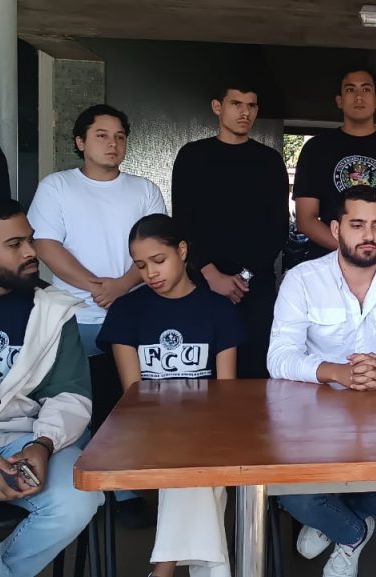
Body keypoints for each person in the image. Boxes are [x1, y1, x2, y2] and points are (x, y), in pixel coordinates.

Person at [267, 185, 376, 577]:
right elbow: (279, 357)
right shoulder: (302, 279)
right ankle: (352, 531)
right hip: (313, 424)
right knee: (291, 493)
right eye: (357, 225)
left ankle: (333, 519)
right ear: (335, 228)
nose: (368, 235)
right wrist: (336, 372)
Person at [27, 103, 164, 527]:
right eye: (102, 135)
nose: (112, 143)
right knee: (75, 403)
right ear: (80, 141)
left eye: (120, 136)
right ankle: (76, 488)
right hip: (73, 317)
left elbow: (157, 248)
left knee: (126, 405)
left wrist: (122, 285)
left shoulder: (144, 190)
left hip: (133, 316)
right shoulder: (57, 187)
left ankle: (124, 491)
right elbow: (46, 244)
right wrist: (95, 286)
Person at [97, 214, 244, 577]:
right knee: (199, 473)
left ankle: (163, 570)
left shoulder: (218, 309)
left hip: (207, 430)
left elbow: (226, 395)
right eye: (140, 266)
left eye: (158, 260)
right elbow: (133, 396)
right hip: (147, 430)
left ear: (182, 251)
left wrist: (199, 426)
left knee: (198, 463)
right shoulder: (127, 310)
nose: (150, 273)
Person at [0, 197, 102, 577]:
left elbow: (70, 392)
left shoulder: (53, 309)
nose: (31, 252)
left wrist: (42, 445)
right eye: (15, 244)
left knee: (79, 498)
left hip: (25, 439)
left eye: (30, 239)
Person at [171, 83, 289, 379]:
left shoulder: (269, 161)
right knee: (201, 372)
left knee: (254, 374)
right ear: (217, 107)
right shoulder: (192, 156)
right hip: (201, 283)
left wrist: (243, 278)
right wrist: (211, 274)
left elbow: (277, 228)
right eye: (236, 104)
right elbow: (183, 223)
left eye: (251, 105)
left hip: (254, 287)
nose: (244, 112)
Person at [291, 67, 376, 265]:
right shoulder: (316, 149)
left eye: (366, 89)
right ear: (339, 100)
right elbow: (306, 219)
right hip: (329, 265)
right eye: (350, 89)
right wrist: (350, 252)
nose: (358, 96)